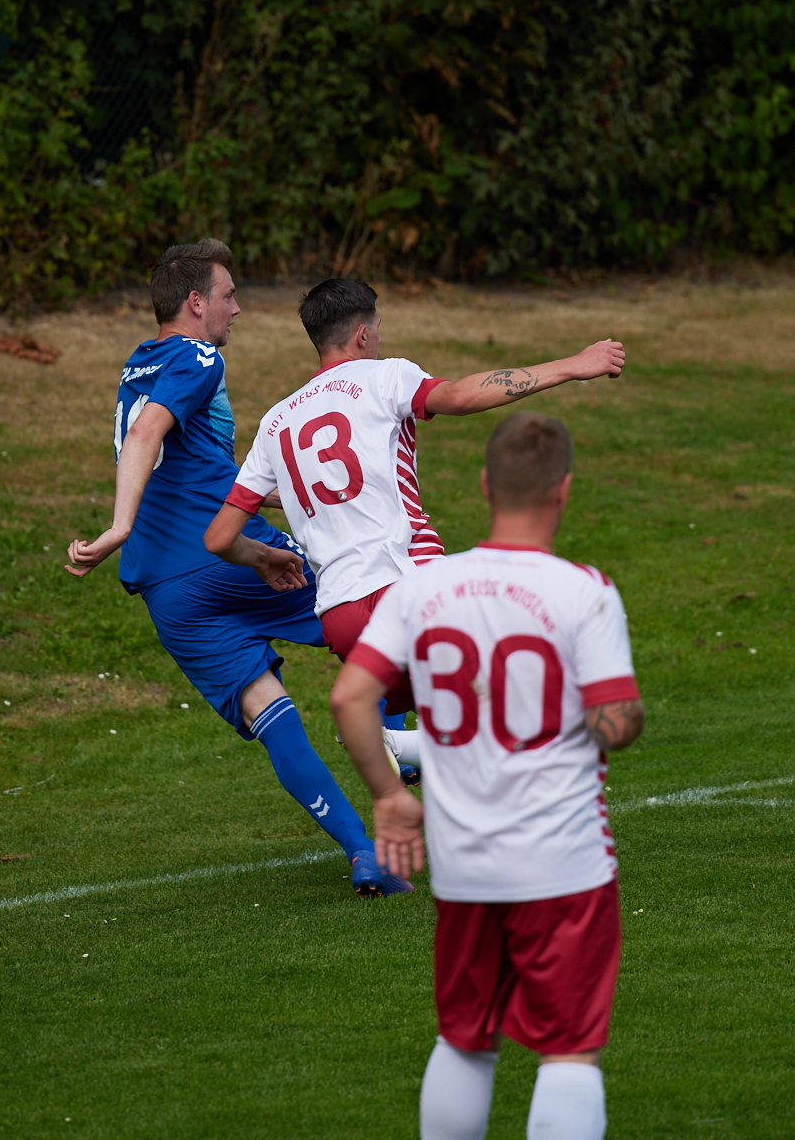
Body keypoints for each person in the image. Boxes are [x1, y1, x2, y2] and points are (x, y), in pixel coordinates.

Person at [330, 412, 643, 1140]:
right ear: (563, 491)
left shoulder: (422, 588)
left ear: (483, 486)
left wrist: (388, 798)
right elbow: (617, 720)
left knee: (465, 1037)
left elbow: (349, 696)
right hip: (564, 863)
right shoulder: (584, 592)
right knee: (568, 1048)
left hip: (466, 865)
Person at [65, 240, 409, 894]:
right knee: (376, 616)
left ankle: (365, 854)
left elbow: (194, 469)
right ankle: (401, 748)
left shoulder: (136, 367)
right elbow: (145, 436)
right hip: (233, 557)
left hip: (167, 591)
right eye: (228, 295)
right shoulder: (198, 357)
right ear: (196, 303)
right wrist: (118, 525)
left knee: (271, 715)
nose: (237, 308)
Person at [201, 277, 624, 774]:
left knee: (471, 734)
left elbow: (220, 537)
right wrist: (574, 365)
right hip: (408, 588)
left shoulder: (276, 423)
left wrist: (263, 557)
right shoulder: (385, 377)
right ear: (363, 334)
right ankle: (400, 747)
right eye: (378, 328)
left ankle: (402, 748)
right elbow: (461, 396)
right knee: (523, 691)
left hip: (341, 618)